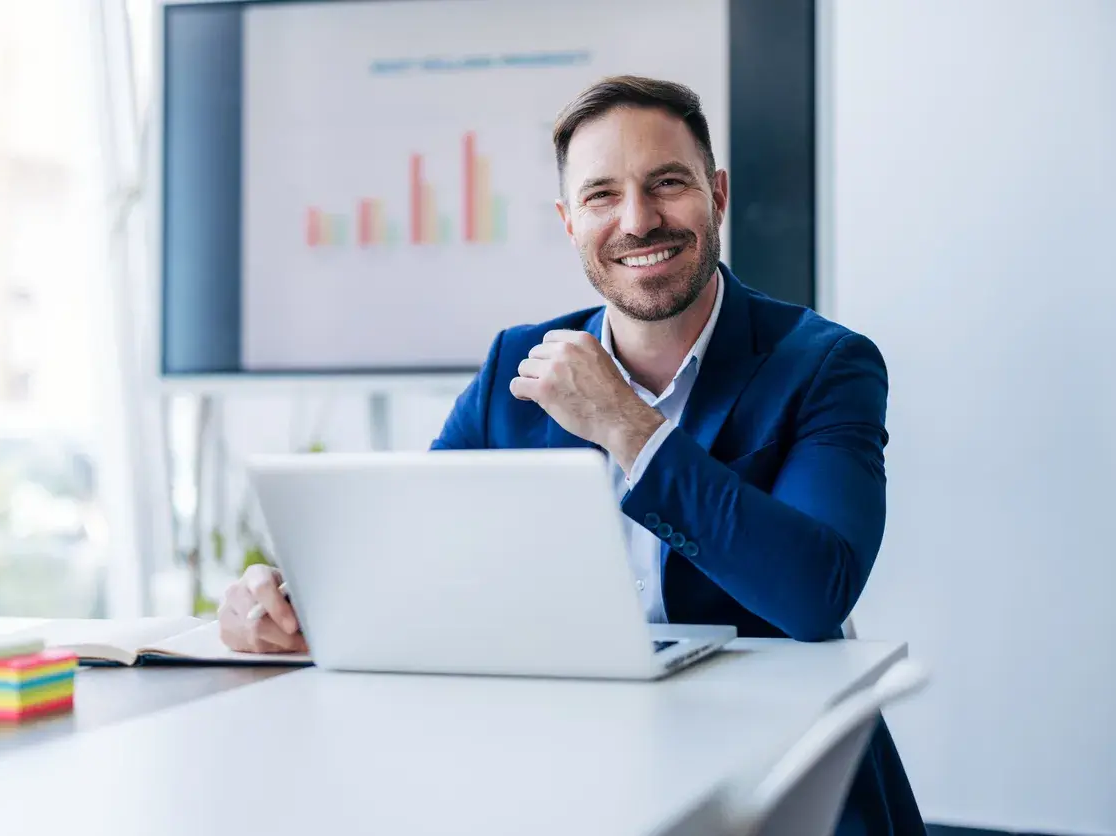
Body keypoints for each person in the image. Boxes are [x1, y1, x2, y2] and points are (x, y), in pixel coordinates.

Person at [219, 75, 925, 835]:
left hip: (776, 777)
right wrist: (293, 606)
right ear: (567, 220)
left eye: (667, 184)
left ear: (716, 193)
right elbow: (412, 556)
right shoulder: (516, 365)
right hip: (567, 764)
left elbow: (815, 595)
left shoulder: (824, 365)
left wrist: (627, 425)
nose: (637, 220)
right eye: (600, 196)